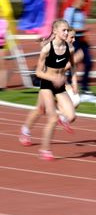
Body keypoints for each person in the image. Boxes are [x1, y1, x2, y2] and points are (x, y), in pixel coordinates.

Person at [19, 19, 77, 160]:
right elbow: (38, 73)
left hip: (60, 86)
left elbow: (73, 66)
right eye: (64, 30)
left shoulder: (70, 48)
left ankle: (27, 129)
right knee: (51, 117)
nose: (66, 33)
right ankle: (45, 150)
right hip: (47, 85)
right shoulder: (47, 49)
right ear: (55, 31)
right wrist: (53, 78)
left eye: (67, 30)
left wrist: (75, 83)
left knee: (71, 116)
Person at [64, 0, 93, 94]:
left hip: (82, 41)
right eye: (83, 0)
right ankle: (65, 85)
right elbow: (66, 28)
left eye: (86, 1)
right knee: (72, 65)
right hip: (73, 41)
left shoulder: (81, 12)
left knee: (89, 63)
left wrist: (86, 39)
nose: (85, 3)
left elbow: (82, 27)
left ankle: (85, 87)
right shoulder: (70, 11)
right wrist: (82, 30)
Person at [0, 15, 7, 90]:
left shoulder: (3, 21)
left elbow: (2, 34)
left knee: (2, 66)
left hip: (0, 46)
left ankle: (2, 86)